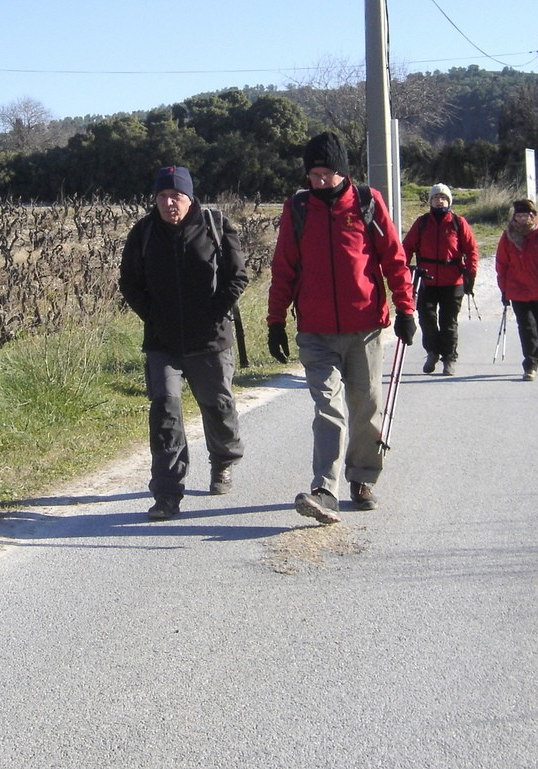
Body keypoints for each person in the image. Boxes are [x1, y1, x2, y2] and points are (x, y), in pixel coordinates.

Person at [267, 131, 416, 524]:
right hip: (315, 332)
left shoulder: (367, 203)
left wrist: (406, 309)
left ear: (343, 173)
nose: (318, 181)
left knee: (365, 408)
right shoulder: (297, 208)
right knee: (328, 407)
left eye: (326, 174)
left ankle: (363, 478)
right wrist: (275, 320)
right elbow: (284, 268)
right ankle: (324, 489)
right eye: (312, 174)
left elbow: (394, 259)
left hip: (364, 327)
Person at [118, 165, 249, 520]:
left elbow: (237, 277)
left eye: (175, 195)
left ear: (189, 198)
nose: (168, 203)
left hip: (210, 341)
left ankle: (223, 461)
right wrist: (152, 316)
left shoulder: (215, 226)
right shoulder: (144, 232)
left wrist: (214, 314)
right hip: (163, 343)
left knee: (218, 407)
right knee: (165, 411)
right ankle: (167, 494)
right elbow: (128, 281)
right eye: (162, 196)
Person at [402, 182, 479, 376]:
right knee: (426, 320)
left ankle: (449, 358)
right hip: (426, 280)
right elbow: (406, 247)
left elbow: (471, 251)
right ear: (430, 201)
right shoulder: (422, 223)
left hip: (452, 281)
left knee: (448, 322)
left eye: (443, 198)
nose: (439, 201)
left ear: (449, 201)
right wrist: (405, 271)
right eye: (436, 198)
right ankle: (432, 352)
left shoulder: (458, 222)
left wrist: (471, 275)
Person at [493, 198, 538, 381]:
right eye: (519, 216)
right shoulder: (508, 235)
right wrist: (504, 289)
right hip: (517, 291)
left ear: (533, 215)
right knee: (526, 330)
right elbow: (502, 264)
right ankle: (530, 366)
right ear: (514, 217)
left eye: (526, 215)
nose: (522, 219)